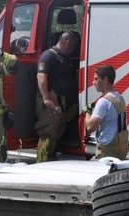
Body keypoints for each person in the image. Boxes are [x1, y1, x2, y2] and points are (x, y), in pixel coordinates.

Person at [35, 31, 79, 162]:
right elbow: (41, 76)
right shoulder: (49, 56)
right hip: (52, 102)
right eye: (74, 45)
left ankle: (51, 160)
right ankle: (41, 165)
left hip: (62, 102)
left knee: (57, 133)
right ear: (67, 42)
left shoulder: (64, 58)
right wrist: (46, 98)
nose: (74, 48)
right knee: (48, 134)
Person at [83, 65, 128, 160]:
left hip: (107, 150)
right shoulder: (120, 98)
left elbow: (90, 128)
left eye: (96, 79)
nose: (93, 82)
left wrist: (87, 112)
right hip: (120, 148)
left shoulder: (103, 102)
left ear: (105, 80)